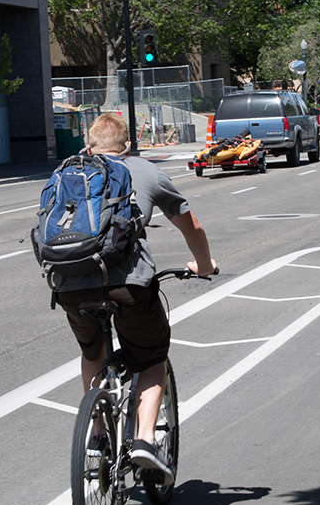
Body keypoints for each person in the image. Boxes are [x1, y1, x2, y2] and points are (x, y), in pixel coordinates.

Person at [54, 112, 219, 472]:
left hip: (69, 286)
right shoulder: (143, 171)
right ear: (127, 146)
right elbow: (192, 225)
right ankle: (145, 438)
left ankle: (97, 435)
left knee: (92, 352)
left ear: (88, 143)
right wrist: (203, 265)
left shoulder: (65, 173)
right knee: (151, 355)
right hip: (127, 286)